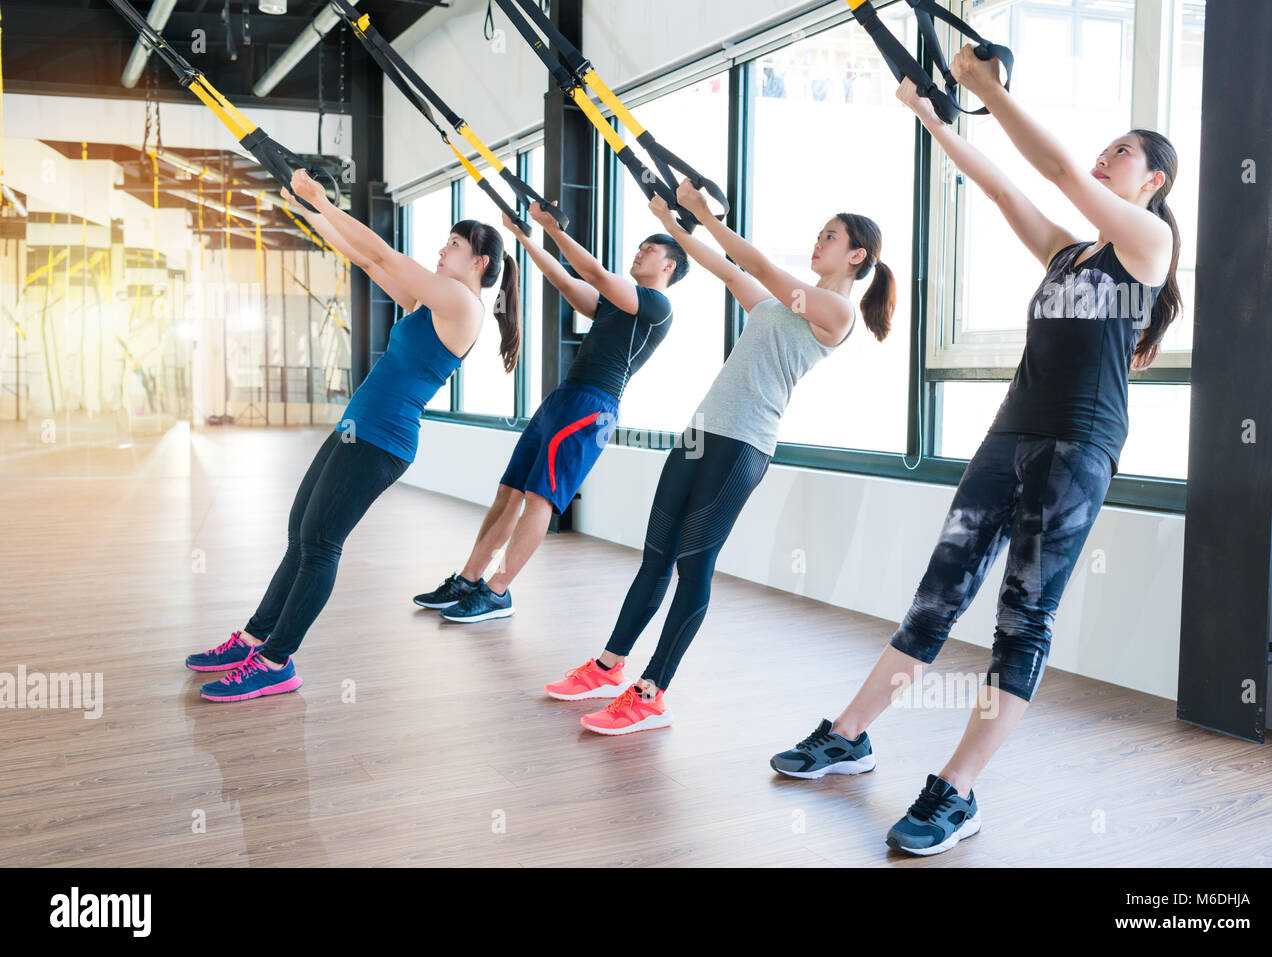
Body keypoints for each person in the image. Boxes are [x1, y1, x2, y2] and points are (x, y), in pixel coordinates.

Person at [771, 50, 1182, 856]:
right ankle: (851, 736)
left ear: (1154, 182)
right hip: (1010, 436)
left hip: (1078, 449)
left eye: (1122, 153)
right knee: (936, 597)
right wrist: (932, 117)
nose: (1105, 157)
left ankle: (956, 792)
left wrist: (989, 90)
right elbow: (1003, 188)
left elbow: (1061, 168)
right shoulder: (1071, 253)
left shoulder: (1148, 248)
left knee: (1022, 621)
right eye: (1106, 149)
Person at [545, 180, 895, 734]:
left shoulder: (832, 311)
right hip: (700, 434)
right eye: (819, 234)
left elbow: (753, 261)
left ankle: (652, 694)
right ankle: (610, 665)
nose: (818, 242)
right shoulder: (782, 303)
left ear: (856, 256)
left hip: (743, 445)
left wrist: (703, 214)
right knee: (655, 555)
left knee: (693, 566)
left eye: (830, 237)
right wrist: (679, 224)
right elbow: (732, 270)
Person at [185, 168, 519, 701]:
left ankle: (276, 662)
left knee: (320, 545)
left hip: (382, 440)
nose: (441, 250)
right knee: (300, 532)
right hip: (355, 430)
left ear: (479, 262)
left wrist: (322, 198)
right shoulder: (430, 302)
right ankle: (254, 638)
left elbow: (385, 254)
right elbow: (366, 260)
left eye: (453, 245)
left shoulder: (462, 305)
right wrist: (313, 212)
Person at [412, 200, 685, 623]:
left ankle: (498, 591)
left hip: (593, 408)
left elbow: (593, 273)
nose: (640, 251)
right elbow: (566, 281)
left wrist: (551, 228)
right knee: (510, 491)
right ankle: (468, 579)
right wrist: (525, 237)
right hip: (565, 398)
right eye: (641, 245)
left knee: (540, 498)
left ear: (670, 267)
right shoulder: (619, 301)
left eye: (651, 249)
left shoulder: (655, 306)